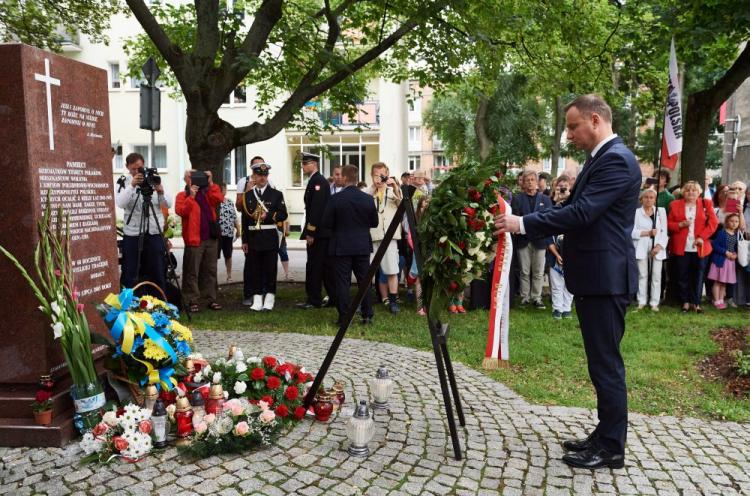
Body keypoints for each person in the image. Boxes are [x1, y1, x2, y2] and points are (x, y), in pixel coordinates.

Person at [495, 94, 641, 470]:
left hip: (607, 279)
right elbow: (575, 209)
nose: (570, 135)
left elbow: (583, 212)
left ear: (595, 120)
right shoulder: (603, 158)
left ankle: (611, 447)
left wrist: (523, 223)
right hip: (596, 277)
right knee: (599, 362)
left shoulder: (617, 160)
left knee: (606, 364)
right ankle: (605, 433)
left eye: (573, 126)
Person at [322, 165, 379, 325]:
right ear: (356, 178)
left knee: (342, 282)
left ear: (345, 178)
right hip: (361, 245)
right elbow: (374, 223)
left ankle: (345, 316)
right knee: (365, 281)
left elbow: (326, 223)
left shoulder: (335, 199)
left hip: (341, 246)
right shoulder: (368, 199)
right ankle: (367, 314)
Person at [116, 152, 171, 295]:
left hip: (153, 233)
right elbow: (120, 203)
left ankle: (160, 305)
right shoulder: (124, 181)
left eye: (139, 168)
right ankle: (133, 305)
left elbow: (168, 204)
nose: (137, 171)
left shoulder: (154, 178)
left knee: (157, 271)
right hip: (133, 234)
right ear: (127, 167)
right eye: (133, 169)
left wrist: (160, 192)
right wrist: (132, 185)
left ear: (144, 165)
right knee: (131, 272)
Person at [240, 162, 287, 311]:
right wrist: (245, 240)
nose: (262, 178)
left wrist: (269, 215)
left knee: (270, 269)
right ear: (253, 176)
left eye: (265, 175)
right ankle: (257, 298)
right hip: (253, 237)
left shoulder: (276, 194)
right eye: (259, 175)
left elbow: (283, 214)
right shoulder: (247, 195)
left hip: (269, 237)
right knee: (255, 270)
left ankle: (270, 297)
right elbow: (245, 220)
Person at [175, 169, 224, 312]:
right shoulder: (182, 195)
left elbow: (219, 198)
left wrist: (211, 182)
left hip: (211, 237)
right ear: (186, 179)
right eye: (191, 176)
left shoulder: (208, 192)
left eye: (197, 176)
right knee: (192, 271)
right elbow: (182, 211)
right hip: (194, 239)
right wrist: (191, 196)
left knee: (210, 270)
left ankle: (211, 298)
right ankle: (191, 300)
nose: (194, 179)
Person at [667, 181, 719, 313]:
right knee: (682, 275)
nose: (691, 193)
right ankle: (685, 302)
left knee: (699, 275)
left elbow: (713, 223)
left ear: (699, 192)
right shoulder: (675, 204)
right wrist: (679, 225)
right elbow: (668, 224)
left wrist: (702, 237)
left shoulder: (706, 204)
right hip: (681, 246)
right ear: (683, 192)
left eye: (694, 190)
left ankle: (696, 303)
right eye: (688, 190)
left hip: (700, 246)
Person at [510, 169, 553, 309]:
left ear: (537, 182)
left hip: (540, 240)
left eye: (532, 180)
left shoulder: (545, 200)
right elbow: (515, 217)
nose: (530, 182)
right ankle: (524, 297)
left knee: (539, 271)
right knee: (524, 271)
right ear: (523, 183)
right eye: (527, 180)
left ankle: (537, 297)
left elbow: (549, 218)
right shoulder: (517, 199)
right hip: (523, 240)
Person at [299, 152, 335, 309]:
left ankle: (314, 299)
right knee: (324, 266)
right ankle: (332, 297)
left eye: (305, 163)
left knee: (315, 266)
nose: (302, 166)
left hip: (319, 233)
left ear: (314, 164)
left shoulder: (318, 181)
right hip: (321, 233)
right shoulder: (314, 180)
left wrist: (311, 232)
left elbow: (317, 210)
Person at [368, 162, 403, 314]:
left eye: (381, 175)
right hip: (372, 235)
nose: (378, 178)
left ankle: (393, 300)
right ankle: (366, 300)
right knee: (367, 270)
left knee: (391, 269)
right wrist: (373, 188)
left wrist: (395, 187)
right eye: (375, 175)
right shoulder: (368, 192)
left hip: (389, 236)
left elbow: (403, 206)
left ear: (387, 174)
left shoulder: (393, 191)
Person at [632, 189, 668, 311]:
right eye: (646, 197)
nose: (649, 199)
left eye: (651, 197)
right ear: (641, 199)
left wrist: (659, 246)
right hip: (641, 246)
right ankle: (641, 300)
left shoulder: (660, 212)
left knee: (656, 275)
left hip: (657, 247)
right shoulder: (636, 213)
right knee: (642, 275)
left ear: (655, 199)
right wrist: (647, 233)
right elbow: (632, 232)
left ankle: (654, 302)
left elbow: (664, 231)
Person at [546, 175, 573, 319]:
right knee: (556, 282)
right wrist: (556, 200)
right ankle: (557, 308)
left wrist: (569, 197)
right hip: (554, 250)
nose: (562, 188)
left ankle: (567, 307)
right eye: (560, 185)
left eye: (565, 186)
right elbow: (547, 226)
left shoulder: (575, 202)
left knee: (570, 282)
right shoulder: (550, 203)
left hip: (572, 251)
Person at [707, 212, 741, 309]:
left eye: (736, 221)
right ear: (727, 222)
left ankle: (721, 300)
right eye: (732, 221)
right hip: (720, 261)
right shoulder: (722, 233)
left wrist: (735, 254)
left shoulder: (735, 234)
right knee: (717, 281)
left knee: (724, 282)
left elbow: (734, 247)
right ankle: (716, 301)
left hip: (730, 262)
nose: (734, 223)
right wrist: (726, 252)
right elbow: (715, 245)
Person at [217, 184, 239, 283]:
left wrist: (238, 229)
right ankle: (213, 278)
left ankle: (229, 275)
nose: (224, 190)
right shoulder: (215, 202)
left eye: (225, 188)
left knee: (228, 255)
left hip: (228, 233)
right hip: (217, 234)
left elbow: (234, 217)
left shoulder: (230, 202)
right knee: (214, 256)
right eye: (223, 188)